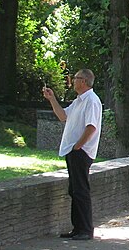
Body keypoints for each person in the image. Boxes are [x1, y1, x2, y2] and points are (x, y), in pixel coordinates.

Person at [42, 68, 103, 240]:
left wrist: (78, 146)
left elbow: (91, 126)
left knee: (81, 190)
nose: (72, 81)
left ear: (83, 81)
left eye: (75, 78)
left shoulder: (91, 100)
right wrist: (51, 98)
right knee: (74, 190)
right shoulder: (79, 101)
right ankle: (78, 228)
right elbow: (63, 116)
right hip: (73, 150)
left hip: (80, 152)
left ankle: (85, 229)